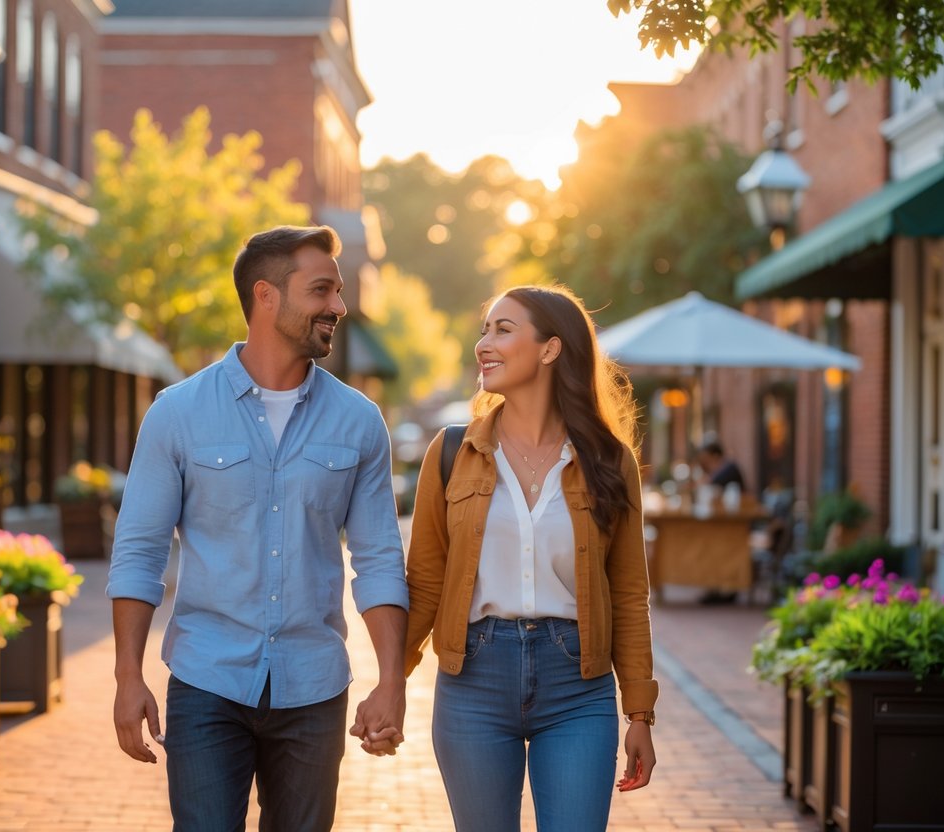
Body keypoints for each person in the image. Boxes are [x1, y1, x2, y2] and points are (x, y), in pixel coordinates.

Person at [107, 225, 409, 832]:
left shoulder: (358, 421)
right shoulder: (177, 413)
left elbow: (377, 559)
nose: (340, 308)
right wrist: (127, 676)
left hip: (314, 690)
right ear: (266, 296)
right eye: (322, 290)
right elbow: (139, 552)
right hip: (206, 681)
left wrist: (392, 680)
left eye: (340, 291)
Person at [404, 285, 659, 832]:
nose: (483, 344)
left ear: (550, 349)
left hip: (577, 686)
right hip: (473, 679)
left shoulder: (610, 462)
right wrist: (390, 683)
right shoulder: (451, 453)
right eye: (484, 330)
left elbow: (629, 594)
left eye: (503, 329)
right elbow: (424, 581)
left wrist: (639, 711)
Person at [695, 437, 747, 604]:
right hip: (721, 525)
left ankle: (726, 587)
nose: (704, 463)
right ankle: (716, 588)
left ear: (715, 456)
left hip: (734, 526)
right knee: (709, 544)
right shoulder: (720, 469)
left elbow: (710, 483)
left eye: (706, 459)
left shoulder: (729, 467)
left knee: (717, 548)